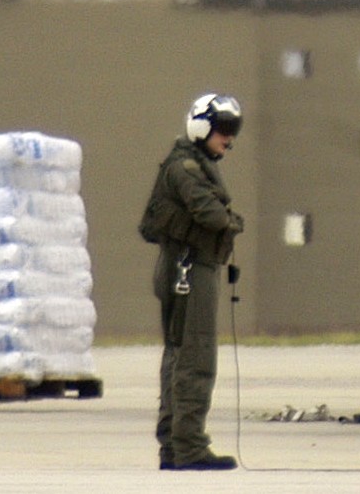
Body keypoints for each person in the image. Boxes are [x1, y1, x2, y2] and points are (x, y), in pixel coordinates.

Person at [139, 92, 246, 471]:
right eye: (223, 131)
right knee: (195, 356)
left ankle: (173, 445)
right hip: (189, 269)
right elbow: (211, 214)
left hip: (184, 266)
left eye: (233, 131)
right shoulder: (186, 166)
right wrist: (233, 223)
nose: (228, 139)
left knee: (179, 353)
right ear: (202, 128)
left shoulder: (191, 162)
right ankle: (189, 446)